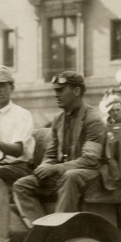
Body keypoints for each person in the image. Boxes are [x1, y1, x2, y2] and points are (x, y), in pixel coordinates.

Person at [12, 71, 107, 227]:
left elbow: (90, 160)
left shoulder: (93, 119)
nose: (56, 94)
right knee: (21, 185)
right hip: (63, 172)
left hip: (90, 174)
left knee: (70, 176)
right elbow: (51, 153)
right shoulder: (58, 119)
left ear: (76, 91)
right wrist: (45, 166)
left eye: (60, 90)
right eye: (55, 90)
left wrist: (54, 168)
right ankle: (39, 229)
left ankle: (60, 230)